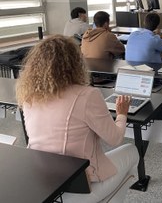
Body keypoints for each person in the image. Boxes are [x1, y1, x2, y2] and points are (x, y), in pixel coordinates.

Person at [16, 35, 139, 201]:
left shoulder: (28, 95)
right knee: (132, 152)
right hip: (80, 183)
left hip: (43, 178)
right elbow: (115, 139)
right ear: (75, 63)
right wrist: (122, 113)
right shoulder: (87, 95)